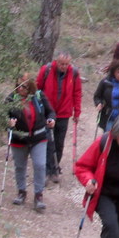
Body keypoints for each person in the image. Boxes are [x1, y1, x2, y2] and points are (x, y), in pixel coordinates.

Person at [5, 72, 56, 211]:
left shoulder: (39, 97)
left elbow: (50, 112)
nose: (20, 89)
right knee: (20, 166)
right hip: (18, 138)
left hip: (39, 137)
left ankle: (38, 195)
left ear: (30, 87)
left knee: (40, 165)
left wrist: (51, 120)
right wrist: (8, 122)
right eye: (19, 85)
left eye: (24, 86)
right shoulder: (11, 99)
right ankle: (21, 192)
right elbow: (3, 116)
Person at [36, 51, 83, 183]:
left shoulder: (73, 73)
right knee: (46, 141)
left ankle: (55, 168)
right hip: (47, 112)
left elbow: (77, 93)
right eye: (61, 64)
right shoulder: (46, 70)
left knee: (59, 142)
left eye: (66, 64)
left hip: (64, 113)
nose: (63, 67)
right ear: (56, 61)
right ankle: (46, 170)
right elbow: (37, 88)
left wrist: (77, 112)